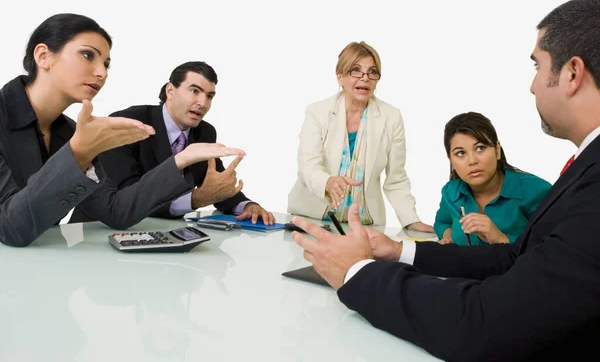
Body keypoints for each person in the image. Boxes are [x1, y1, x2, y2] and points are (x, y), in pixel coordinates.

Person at [291, 0, 600, 361]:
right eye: (356, 71)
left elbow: (488, 321)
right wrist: (401, 250)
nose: (532, 86)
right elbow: (517, 258)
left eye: (537, 67)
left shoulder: (391, 116)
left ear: (572, 73)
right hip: (317, 214)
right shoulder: (581, 168)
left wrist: (359, 272)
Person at [0, 14, 244, 247]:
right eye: (87, 55)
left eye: (106, 64)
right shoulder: (78, 139)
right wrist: (78, 152)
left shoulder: (72, 133)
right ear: (44, 56)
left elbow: (116, 212)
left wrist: (180, 160)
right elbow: (10, 227)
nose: (102, 73)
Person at [71, 61, 274, 224]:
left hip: (159, 234)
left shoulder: (205, 131)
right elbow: (128, 196)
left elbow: (215, 185)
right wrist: (195, 200)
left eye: (209, 96)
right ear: (170, 91)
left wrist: (247, 206)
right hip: (96, 232)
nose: (203, 103)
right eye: (194, 91)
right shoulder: (129, 123)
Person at [287, 41, 432, 232]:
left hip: (364, 226)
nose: (365, 78)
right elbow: (308, 165)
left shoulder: (391, 117)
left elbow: (396, 179)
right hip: (312, 219)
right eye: (356, 70)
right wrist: (328, 182)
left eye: (372, 72)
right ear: (340, 77)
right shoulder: (317, 112)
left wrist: (411, 220)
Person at [435, 112, 551, 245]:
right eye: (460, 153)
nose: (472, 161)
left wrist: (501, 239)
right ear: (450, 160)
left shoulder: (536, 190)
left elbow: (555, 247)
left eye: (480, 148)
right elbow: (442, 222)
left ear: (497, 150)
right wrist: (449, 238)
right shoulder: (450, 192)